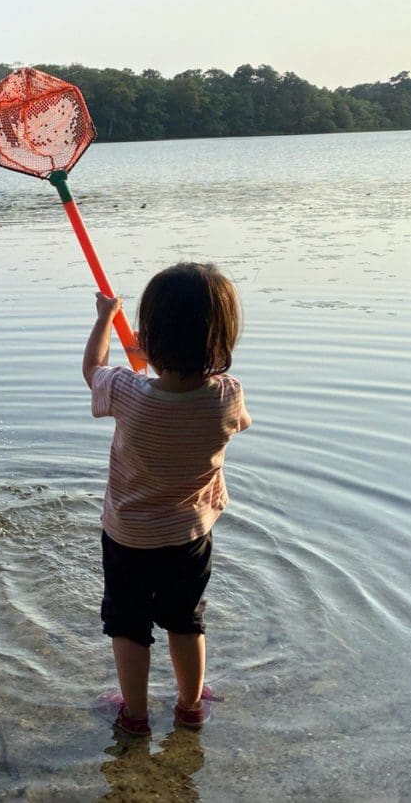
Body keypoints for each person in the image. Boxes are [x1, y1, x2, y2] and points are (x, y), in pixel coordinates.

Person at [83, 263, 251, 734]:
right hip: (190, 535)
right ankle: (190, 704)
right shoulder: (227, 397)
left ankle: (134, 715)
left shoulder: (125, 390)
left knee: (129, 625)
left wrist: (104, 319)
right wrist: (160, 365)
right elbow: (234, 421)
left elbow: (92, 368)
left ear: (150, 340)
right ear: (222, 341)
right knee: (185, 620)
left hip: (129, 537)